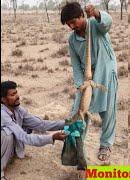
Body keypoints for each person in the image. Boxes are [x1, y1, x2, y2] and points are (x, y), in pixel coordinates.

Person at [60, 2, 118, 163]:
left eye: (73, 22)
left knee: (108, 112)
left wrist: (97, 13)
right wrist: (80, 85)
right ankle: (75, 148)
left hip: (106, 74)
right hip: (87, 80)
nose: (72, 27)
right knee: (78, 112)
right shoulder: (72, 40)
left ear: (81, 16)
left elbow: (107, 23)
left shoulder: (95, 25)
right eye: (68, 24)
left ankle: (106, 145)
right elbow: (76, 65)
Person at [1, 81, 66, 180]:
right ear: (3, 100)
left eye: (16, 92)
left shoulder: (18, 109)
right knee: (7, 134)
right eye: (12, 94)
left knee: (26, 127)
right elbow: (24, 137)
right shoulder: (3, 115)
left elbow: (41, 124)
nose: (17, 96)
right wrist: (52, 137)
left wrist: (66, 123)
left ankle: (12, 154)